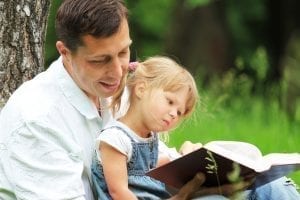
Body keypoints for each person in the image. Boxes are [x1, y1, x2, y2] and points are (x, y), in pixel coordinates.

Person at [0, 0, 299, 199]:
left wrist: (189, 166)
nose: (118, 72)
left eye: (123, 52)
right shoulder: (36, 119)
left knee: (276, 188)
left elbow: (143, 155)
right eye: (100, 60)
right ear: (65, 52)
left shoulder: (119, 88)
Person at [91, 56, 200, 199]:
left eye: (179, 112)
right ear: (141, 89)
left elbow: (144, 169)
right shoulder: (115, 139)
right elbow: (118, 192)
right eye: (170, 101)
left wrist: (182, 160)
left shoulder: (150, 138)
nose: (174, 114)